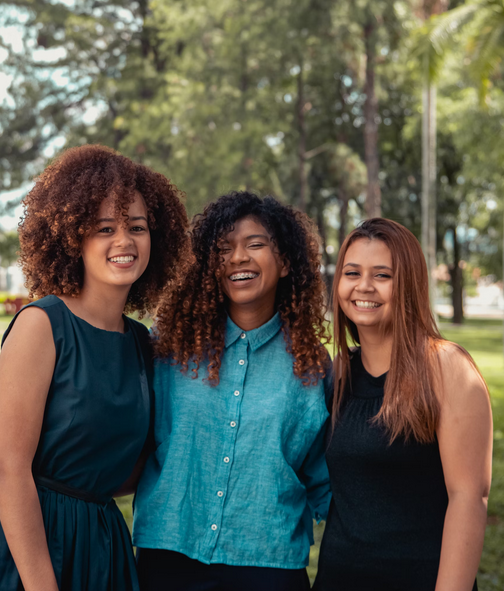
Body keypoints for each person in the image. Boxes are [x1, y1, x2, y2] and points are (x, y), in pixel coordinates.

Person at [0, 145, 189, 591]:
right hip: (22, 545)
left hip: (99, 543)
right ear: (72, 237)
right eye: (105, 228)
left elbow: (122, 470)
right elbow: (9, 470)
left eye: (137, 227)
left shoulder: (142, 343)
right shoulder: (42, 325)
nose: (125, 241)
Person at [133, 191, 333, 591]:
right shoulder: (168, 349)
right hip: (169, 555)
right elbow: (118, 419)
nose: (238, 257)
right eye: (224, 248)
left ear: (287, 261)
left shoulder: (312, 366)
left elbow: (327, 475)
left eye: (255, 244)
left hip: (268, 563)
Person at [314, 218, 493, 591]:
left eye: (382, 275)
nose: (364, 286)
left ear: (408, 284)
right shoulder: (339, 375)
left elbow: (468, 498)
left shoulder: (446, 368)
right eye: (352, 273)